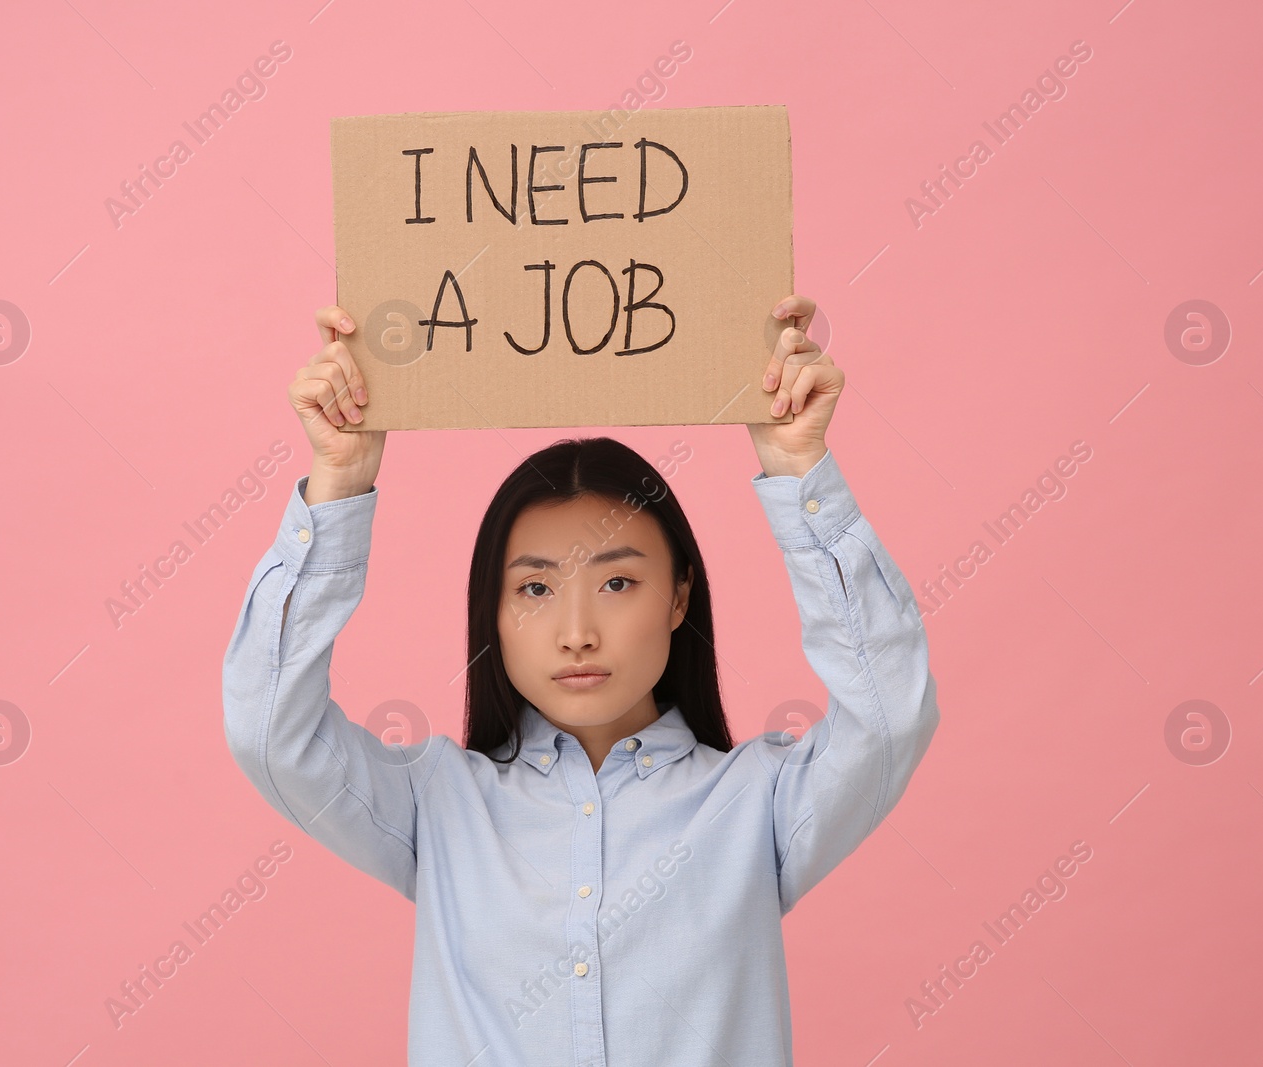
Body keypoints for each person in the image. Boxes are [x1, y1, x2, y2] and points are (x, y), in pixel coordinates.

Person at [221, 293, 940, 1066]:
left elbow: (890, 712)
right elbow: (271, 731)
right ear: (490, 616)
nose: (576, 632)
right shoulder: (439, 804)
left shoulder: (756, 803)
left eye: (618, 582)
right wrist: (340, 479)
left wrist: (799, 468)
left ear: (678, 596)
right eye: (534, 588)